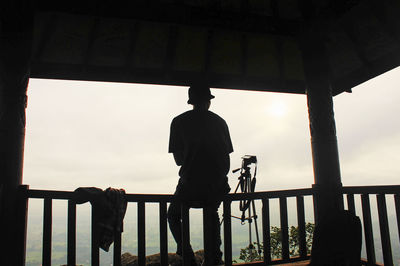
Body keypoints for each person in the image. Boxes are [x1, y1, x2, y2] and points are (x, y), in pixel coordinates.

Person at [168, 83, 233, 265]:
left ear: (191, 101)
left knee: (173, 215)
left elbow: (178, 160)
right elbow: (226, 157)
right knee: (211, 213)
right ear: (208, 101)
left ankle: (187, 256)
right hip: (216, 184)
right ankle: (214, 257)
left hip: (189, 183)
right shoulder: (220, 122)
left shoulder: (178, 122)